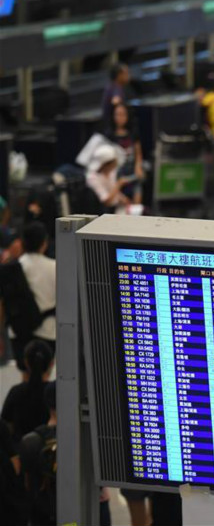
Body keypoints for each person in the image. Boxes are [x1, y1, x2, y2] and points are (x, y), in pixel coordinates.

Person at [0, 223, 56, 374]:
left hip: (19, 332)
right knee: (44, 375)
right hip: (48, 331)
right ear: (44, 242)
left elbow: (3, 304)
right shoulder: (55, 267)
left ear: (22, 242)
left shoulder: (12, 268)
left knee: (26, 375)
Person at [18, 381, 56, 526]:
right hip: (76, 515)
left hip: (42, 516)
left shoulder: (31, 441)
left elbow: (26, 485)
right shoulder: (82, 440)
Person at [1, 340, 53, 445]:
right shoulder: (54, 392)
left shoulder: (16, 392)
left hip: (20, 453)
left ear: (26, 363)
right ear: (51, 363)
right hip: (50, 453)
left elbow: (6, 428)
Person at [106, 103, 145, 204]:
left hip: (132, 170)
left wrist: (138, 167)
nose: (120, 118)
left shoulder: (133, 133)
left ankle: (137, 209)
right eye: (117, 114)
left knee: (139, 180)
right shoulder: (109, 135)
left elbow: (138, 153)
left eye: (123, 114)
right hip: (117, 172)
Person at [86, 145, 133, 211]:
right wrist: (118, 184)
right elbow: (106, 202)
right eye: (114, 162)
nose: (116, 163)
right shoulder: (93, 178)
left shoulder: (111, 172)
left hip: (115, 208)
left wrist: (124, 199)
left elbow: (113, 190)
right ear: (107, 164)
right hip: (103, 212)